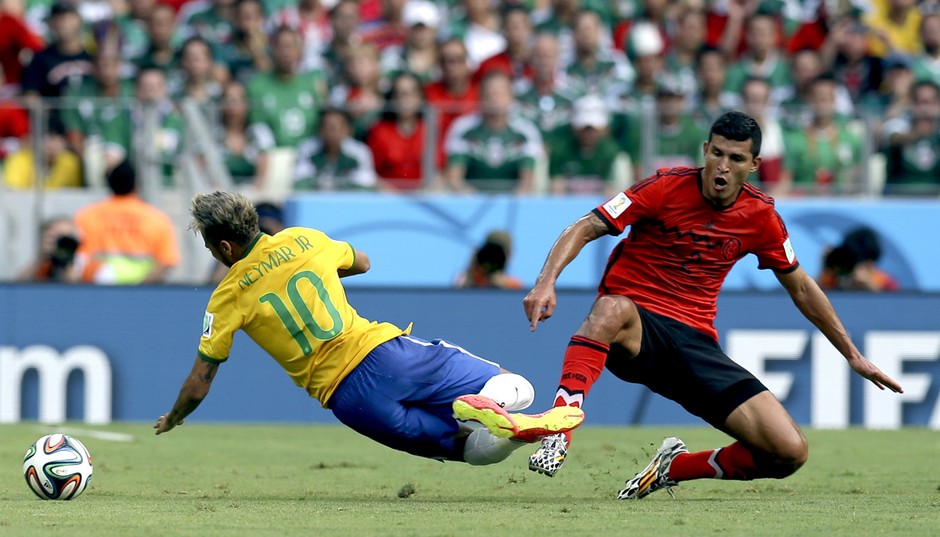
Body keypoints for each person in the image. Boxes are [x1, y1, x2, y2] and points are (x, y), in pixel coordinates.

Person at [522, 111, 903, 499]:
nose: (722, 166)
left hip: (694, 343)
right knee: (609, 309)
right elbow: (586, 225)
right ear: (705, 149)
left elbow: (802, 288)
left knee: (788, 452)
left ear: (754, 165)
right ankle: (558, 433)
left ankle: (674, 466)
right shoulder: (664, 187)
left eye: (735, 159)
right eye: (716, 153)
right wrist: (545, 283)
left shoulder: (761, 217)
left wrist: (852, 354)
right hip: (636, 326)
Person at [154, 191, 585, 469]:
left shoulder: (225, 297)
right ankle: (494, 407)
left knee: (466, 452)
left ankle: (504, 431)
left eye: (209, 245)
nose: (211, 252)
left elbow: (199, 382)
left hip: (349, 400)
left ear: (225, 246)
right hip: (386, 354)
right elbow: (363, 262)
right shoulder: (303, 240)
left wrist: (174, 418)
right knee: (519, 386)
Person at [74, 159, 180, 284]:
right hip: (141, 293)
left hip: (99, 289)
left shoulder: (87, 215)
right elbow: (167, 262)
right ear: (135, 185)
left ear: (109, 183)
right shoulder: (157, 218)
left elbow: (78, 261)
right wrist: (140, 289)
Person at [454, 230, 523, 290]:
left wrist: (500, 284)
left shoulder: (512, 285)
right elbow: (457, 296)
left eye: (498, 254)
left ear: (509, 255)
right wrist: (472, 272)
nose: (493, 257)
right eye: (490, 253)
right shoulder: (465, 278)